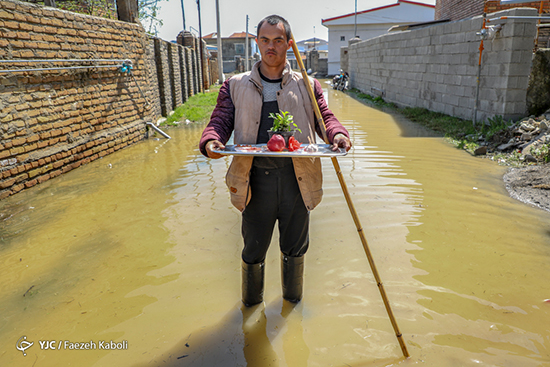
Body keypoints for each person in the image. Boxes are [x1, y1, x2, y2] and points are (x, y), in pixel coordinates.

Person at [199, 15, 351, 307]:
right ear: (257, 43)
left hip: (298, 180)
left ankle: (291, 309)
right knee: (253, 250)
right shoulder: (234, 85)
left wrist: (338, 135)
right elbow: (220, 121)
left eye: (278, 40)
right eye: (265, 40)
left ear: (288, 45)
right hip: (254, 182)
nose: (271, 47)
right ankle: (251, 308)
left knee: (295, 249)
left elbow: (325, 119)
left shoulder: (307, 84)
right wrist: (211, 141)